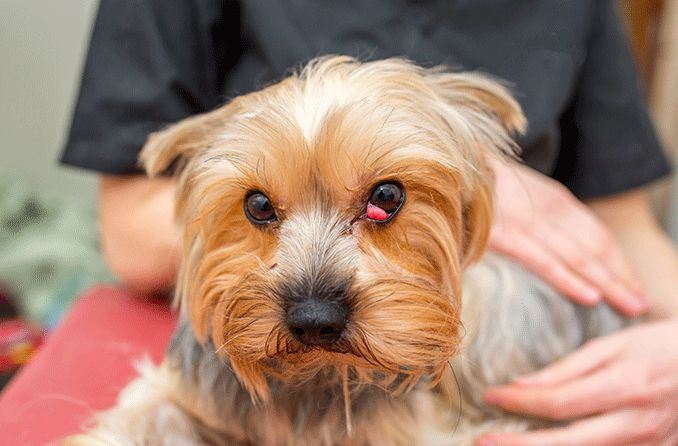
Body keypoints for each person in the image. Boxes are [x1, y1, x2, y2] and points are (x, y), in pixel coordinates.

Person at [61, 1, 678, 443]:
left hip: (488, 305)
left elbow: (626, 229)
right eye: (261, 209)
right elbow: (129, 228)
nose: (313, 310)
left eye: (382, 199)